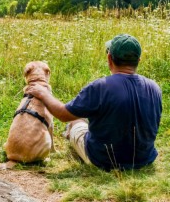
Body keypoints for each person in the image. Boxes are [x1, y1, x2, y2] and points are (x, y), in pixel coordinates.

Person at [26, 34, 162, 171]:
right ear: (139, 60)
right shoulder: (154, 87)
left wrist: (43, 93)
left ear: (109, 58)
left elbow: (62, 114)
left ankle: (69, 131)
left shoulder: (100, 87)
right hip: (144, 159)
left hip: (102, 161)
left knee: (75, 122)